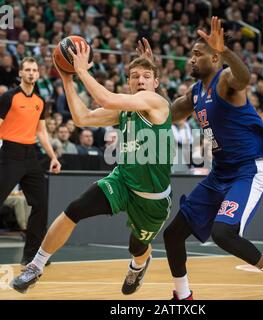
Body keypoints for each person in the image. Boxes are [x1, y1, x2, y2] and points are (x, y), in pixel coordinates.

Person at [138, 17, 263, 300]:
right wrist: (151, 78)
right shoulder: (196, 93)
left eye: (198, 54)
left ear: (214, 57)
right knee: (173, 235)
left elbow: (245, 78)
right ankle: (183, 295)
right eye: (190, 54)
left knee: (224, 233)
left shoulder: (226, 79)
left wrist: (226, 51)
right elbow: (167, 114)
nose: (191, 59)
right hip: (220, 173)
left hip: (248, 170)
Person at [11, 43, 173, 295]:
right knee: (75, 209)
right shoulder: (124, 111)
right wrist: (67, 79)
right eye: (134, 76)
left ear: (156, 83)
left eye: (146, 76)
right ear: (128, 82)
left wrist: (81, 70)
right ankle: (35, 266)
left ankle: (138, 265)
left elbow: (104, 98)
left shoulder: (156, 102)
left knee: (137, 247)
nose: (140, 80)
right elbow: (82, 118)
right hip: (122, 181)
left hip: (151, 199)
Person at [0, 57, 61, 266]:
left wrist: (53, 157)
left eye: (35, 70)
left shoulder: (39, 101)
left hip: (30, 156)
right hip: (9, 154)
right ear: (20, 73)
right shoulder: (8, 97)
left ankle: (32, 255)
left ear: (38, 74)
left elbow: (42, 132)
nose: (31, 73)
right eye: (27, 69)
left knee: (41, 205)